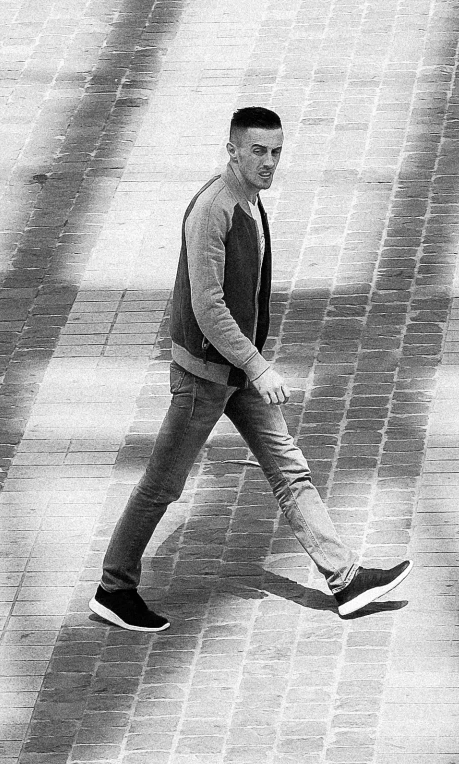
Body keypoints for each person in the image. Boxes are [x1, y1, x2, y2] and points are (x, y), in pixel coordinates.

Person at [90, 106, 409, 631]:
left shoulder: (248, 200)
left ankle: (346, 580)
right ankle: (113, 588)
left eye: (276, 151)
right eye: (257, 150)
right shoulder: (213, 210)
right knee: (162, 485)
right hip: (205, 376)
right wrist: (259, 368)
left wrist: (249, 367)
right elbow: (208, 307)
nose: (268, 162)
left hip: (233, 369)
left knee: (289, 469)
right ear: (232, 149)